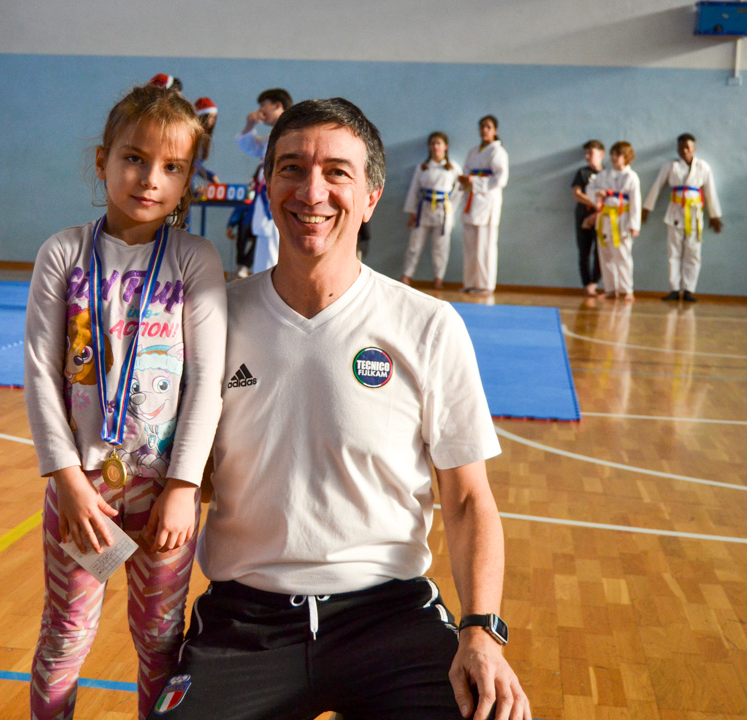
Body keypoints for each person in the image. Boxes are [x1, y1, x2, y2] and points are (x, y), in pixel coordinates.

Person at [149, 98, 529, 720]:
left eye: (337, 173)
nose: (312, 191)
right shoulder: (213, 319)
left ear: (371, 196)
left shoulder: (427, 325)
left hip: (390, 616)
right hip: (245, 620)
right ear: (267, 183)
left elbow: (465, 499)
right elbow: (195, 472)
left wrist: (482, 631)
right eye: (292, 169)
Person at [23, 84, 227, 720]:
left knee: (161, 643)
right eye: (134, 158)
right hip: (84, 494)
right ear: (102, 160)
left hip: (163, 496)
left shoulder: (194, 260)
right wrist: (67, 482)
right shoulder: (63, 254)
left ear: (188, 178)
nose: (150, 179)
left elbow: (207, 381)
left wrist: (183, 487)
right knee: (66, 636)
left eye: (172, 166)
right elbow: (40, 374)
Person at [641, 133, 723, 302]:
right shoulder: (670, 166)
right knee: (674, 252)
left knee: (693, 252)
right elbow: (657, 186)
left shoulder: (703, 167)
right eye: (681, 147)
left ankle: (688, 290)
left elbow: (710, 191)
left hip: (695, 214)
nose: (684, 151)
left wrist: (714, 215)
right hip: (675, 213)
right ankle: (674, 289)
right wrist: (646, 208)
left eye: (688, 147)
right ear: (677, 149)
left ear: (694, 148)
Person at [236, 87, 293, 276]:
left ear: (277, 105)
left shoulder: (292, 133)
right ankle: (265, 284)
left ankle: (274, 287)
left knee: (273, 247)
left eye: (263, 105)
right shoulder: (273, 137)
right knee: (264, 245)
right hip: (265, 199)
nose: (261, 110)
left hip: (279, 199)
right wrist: (249, 125)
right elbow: (251, 147)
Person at [401, 131, 463, 290]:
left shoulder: (453, 168)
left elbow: (461, 188)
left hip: (443, 211)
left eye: (438, 143)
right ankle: (407, 275)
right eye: (433, 144)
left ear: (445, 146)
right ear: (429, 147)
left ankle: (438, 278)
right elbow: (414, 189)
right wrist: (412, 212)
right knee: (414, 245)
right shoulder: (423, 167)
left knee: (440, 247)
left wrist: (451, 207)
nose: (435, 147)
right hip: (423, 209)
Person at [459, 115, 509, 295]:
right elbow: (466, 171)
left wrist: (475, 181)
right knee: (470, 246)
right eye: (482, 127)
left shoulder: (498, 151)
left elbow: (501, 179)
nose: (484, 130)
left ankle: (486, 285)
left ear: (495, 130)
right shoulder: (473, 151)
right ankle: (470, 283)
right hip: (471, 201)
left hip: (487, 203)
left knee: (485, 246)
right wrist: (464, 180)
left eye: (488, 127)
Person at [587, 141, 641, 302]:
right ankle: (610, 289)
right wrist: (598, 193)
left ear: (627, 157)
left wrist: (634, 225)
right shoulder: (603, 175)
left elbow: (636, 202)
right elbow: (590, 189)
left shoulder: (631, 177)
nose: (614, 158)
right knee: (606, 255)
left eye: (618, 155)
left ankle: (626, 290)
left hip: (622, 220)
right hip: (605, 219)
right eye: (613, 154)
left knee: (623, 256)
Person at [571, 140, 604, 296]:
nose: (588, 156)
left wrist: (599, 209)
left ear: (601, 154)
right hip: (583, 215)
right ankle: (586, 283)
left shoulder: (607, 174)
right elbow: (577, 193)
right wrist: (593, 203)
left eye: (591, 153)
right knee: (584, 251)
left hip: (602, 216)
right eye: (586, 153)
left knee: (600, 251)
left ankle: (594, 283)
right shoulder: (582, 173)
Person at [190, 97, 221, 193]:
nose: (212, 121)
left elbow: (197, 165)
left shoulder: (204, 139)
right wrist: (194, 188)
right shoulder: (192, 138)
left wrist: (211, 176)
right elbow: (189, 166)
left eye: (214, 118)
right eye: (210, 117)